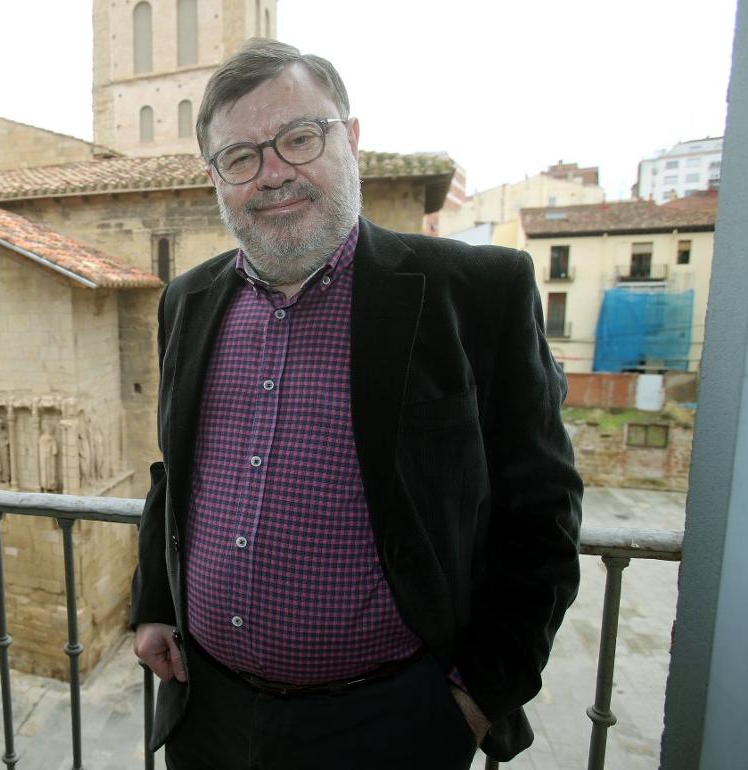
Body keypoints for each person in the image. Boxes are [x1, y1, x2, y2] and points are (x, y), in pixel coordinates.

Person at [131, 39, 582, 770]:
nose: (273, 173)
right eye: (241, 156)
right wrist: (154, 601)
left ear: (352, 139)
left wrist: (473, 698)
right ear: (215, 176)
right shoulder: (188, 301)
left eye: (299, 139)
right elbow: (172, 474)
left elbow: (542, 514)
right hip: (207, 710)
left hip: (388, 723)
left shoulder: (476, 293)